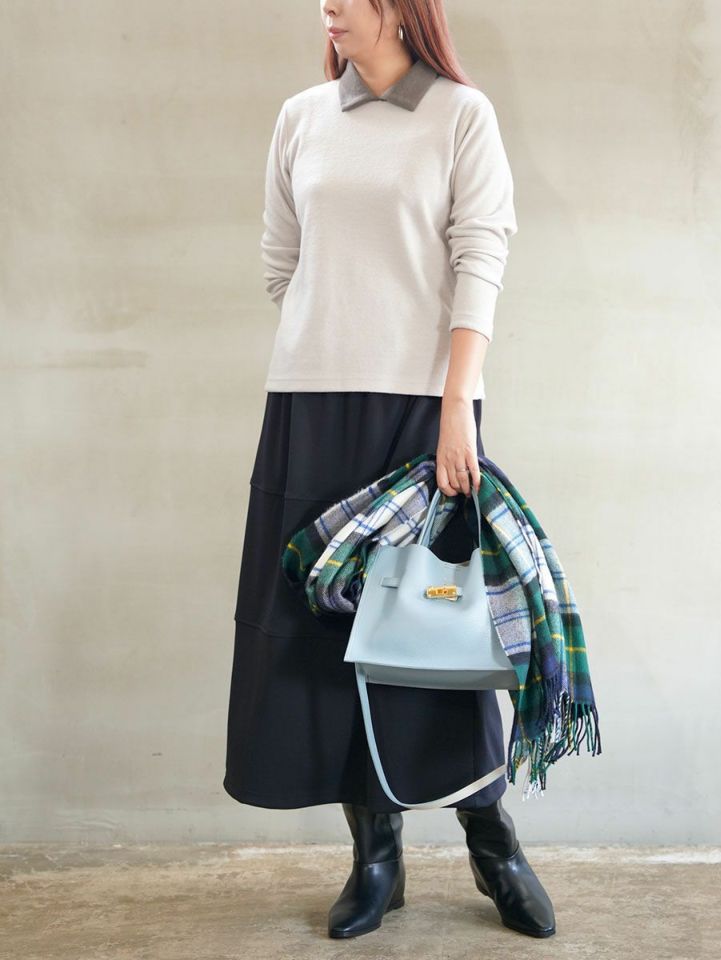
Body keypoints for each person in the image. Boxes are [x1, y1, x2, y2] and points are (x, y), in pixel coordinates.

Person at [223, 0, 556, 941]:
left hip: (424, 409)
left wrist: (455, 405)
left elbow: (480, 256)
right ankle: (376, 855)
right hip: (309, 406)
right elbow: (281, 262)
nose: (328, 4)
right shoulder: (301, 117)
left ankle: (491, 839)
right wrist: (330, 335)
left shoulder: (460, 114)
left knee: (438, 627)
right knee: (328, 632)